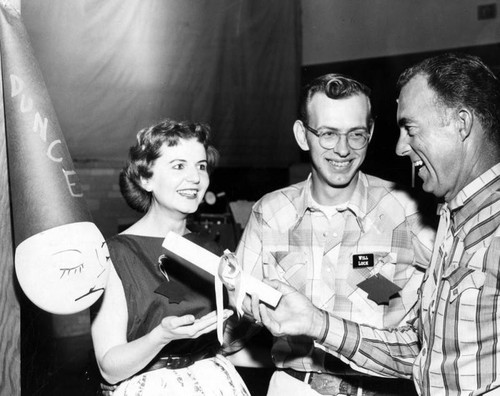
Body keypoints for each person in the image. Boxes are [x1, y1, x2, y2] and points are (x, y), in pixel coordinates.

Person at [253, 53, 500, 396]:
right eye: (327, 133)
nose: (399, 147)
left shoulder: (422, 214)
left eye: (410, 128)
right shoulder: (451, 221)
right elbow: (420, 349)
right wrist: (315, 323)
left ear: (461, 124)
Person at [235, 74, 436, 395]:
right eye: (327, 134)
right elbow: (236, 325)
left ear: (369, 134)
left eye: (355, 134)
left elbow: (436, 334)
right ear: (303, 135)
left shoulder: (408, 212)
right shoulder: (271, 213)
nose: (342, 149)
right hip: (294, 387)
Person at [90, 119, 250, 396]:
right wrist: (160, 337)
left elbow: (224, 344)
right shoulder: (115, 254)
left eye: (201, 166)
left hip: (215, 383)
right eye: (178, 166)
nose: (195, 178)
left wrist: (249, 312)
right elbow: (109, 367)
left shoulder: (211, 249)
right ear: (145, 178)